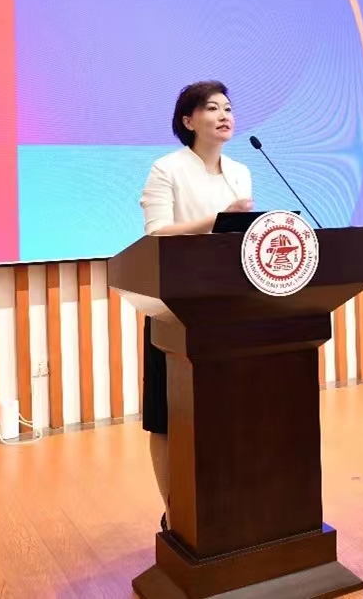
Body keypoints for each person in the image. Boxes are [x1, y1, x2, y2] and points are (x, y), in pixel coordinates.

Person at [138, 80, 253, 528]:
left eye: (228, 108)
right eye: (212, 108)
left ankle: (226, 505)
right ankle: (176, 513)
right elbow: (156, 233)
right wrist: (218, 219)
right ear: (189, 120)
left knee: (225, 411)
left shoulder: (240, 172)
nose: (224, 115)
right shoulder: (166, 169)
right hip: (175, 306)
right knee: (168, 416)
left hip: (230, 305)